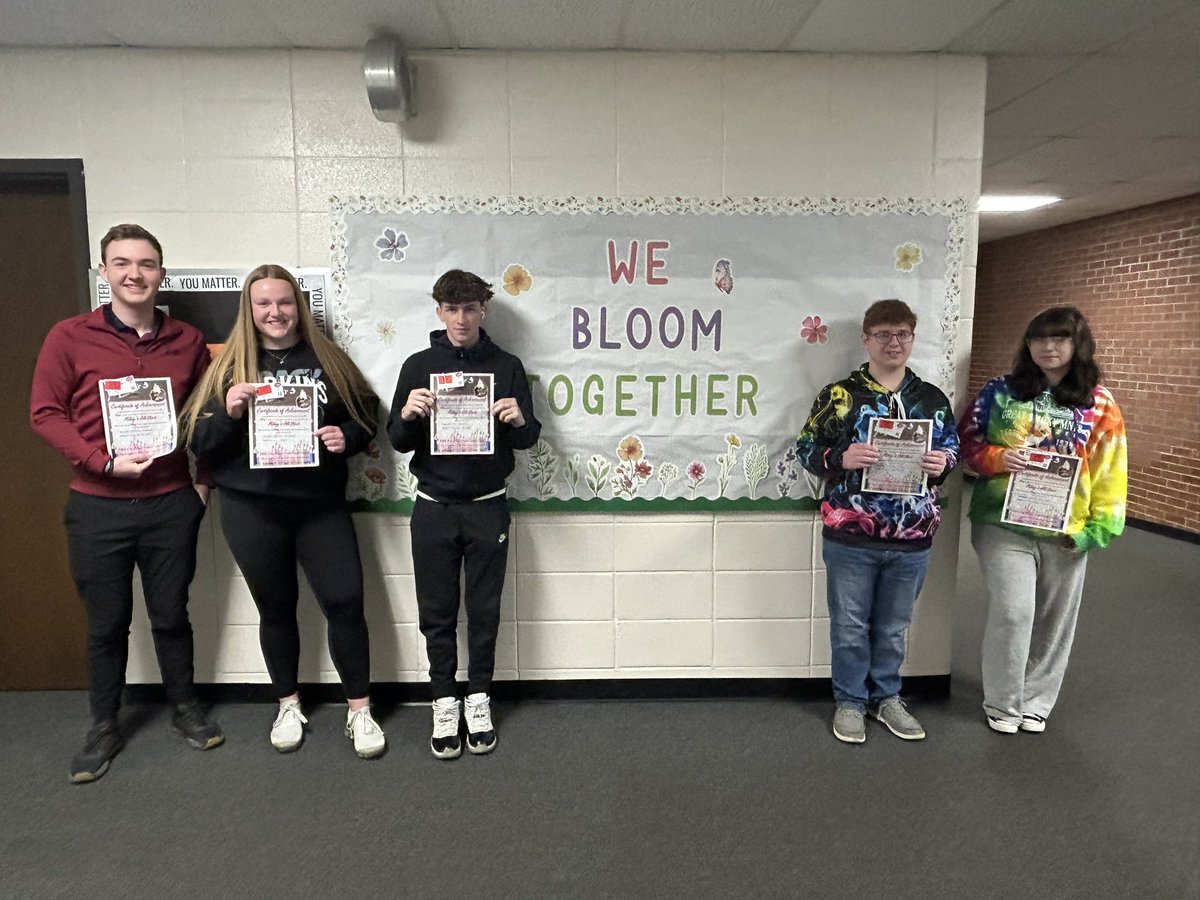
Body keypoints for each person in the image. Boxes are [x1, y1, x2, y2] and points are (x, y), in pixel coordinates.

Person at [30, 223, 223, 784]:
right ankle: (103, 725)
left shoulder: (187, 341)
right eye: (122, 264)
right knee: (106, 624)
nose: (134, 274)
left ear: (162, 273)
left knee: (170, 615)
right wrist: (102, 461)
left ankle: (185, 709)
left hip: (170, 503)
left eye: (146, 264)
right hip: (98, 507)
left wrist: (202, 483)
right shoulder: (68, 336)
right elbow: (45, 413)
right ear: (104, 272)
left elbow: (205, 417)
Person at [182, 265, 386, 758]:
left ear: (299, 306)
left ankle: (359, 710)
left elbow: (366, 414)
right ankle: (288, 703)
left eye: (285, 302)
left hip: (320, 506)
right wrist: (229, 414)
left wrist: (348, 438)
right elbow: (197, 441)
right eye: (264, 304)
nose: (275, 312)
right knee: (275, 608)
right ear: (249, 311)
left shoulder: (328, 358)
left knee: (344, 602)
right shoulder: (228, 367)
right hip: (252, 508)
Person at [388, 269, 541, 759]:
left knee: (484, 611)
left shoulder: (507, 365)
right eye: (451, 309)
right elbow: (396, 438)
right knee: (436, 614)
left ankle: (478, 697)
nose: (461, 318)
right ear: (438, 311)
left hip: (486, 507)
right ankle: (442, 699)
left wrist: (518, 420)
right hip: (433, 508)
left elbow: (529, 436)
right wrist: (409, 414)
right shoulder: (417, 366)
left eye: (470, 308)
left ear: (484, 310)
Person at [796, 299, 959, 744]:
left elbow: (953, 452)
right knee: (849, 626)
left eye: (903, 333)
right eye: (884, 334)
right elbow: (806, 450)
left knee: (892, 627)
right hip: (851, 534)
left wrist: (941, 462)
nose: (894, 342)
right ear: (866, 339)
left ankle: (887, 697)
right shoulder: (839, 395)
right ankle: (849, 701)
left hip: (913, 537)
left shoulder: (930, 398)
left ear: (912, 337)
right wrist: (840, 457)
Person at [958, 306, 1126, 734]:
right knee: (1014, 612)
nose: (1048, 348)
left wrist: (1096, 531)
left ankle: (1036, 701)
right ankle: (1002, 702)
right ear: (1027, 344)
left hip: (1066, 528)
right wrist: (997, 458)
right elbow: (965, 442)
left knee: (1054, 621)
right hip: (1003, 523)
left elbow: (1110, 469)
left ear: (1077, 345)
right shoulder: (1001, 392)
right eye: (1039, 339)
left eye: (1059, 339)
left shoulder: (1099, 403)